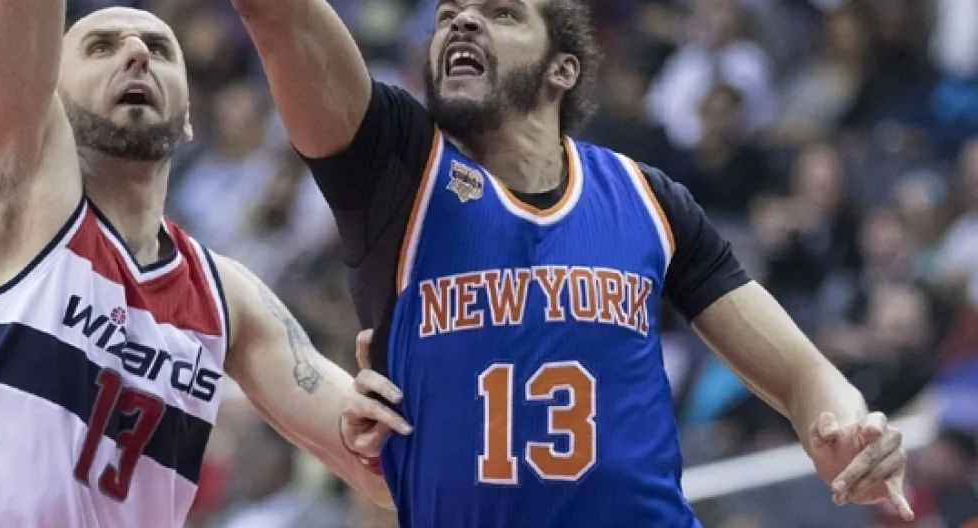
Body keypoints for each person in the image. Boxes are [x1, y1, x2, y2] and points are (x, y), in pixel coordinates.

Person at [229, 0, 916, 525]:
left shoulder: (646, 199)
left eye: (501, 12)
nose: (462, 20)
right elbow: (279, 16)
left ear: (562, 68)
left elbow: (805, 375)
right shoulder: (394, 171)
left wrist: (843, 426)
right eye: (446, 14)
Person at [0, 4, 410, 527]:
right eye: (101, 47)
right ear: (49, 98)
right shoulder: (11, 208)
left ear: (188, 119)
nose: (137, 54)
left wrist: (383, 415)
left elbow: (384, 470)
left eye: (160, 49)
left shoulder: (227, 298)